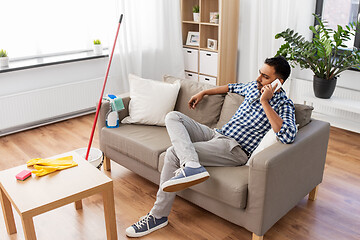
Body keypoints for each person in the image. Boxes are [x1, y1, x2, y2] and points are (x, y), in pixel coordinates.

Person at [125, 56, 297, 237]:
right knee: (173, 117)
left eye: (265, 77)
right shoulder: (253, 87)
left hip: (235, 149)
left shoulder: (284, 104)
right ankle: (191, 165)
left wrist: (265, 101)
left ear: (279, 82)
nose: (258, 79)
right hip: (216, 134)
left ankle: (158, 216)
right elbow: (231, 87)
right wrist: (204, 93)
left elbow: (287, 135)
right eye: (259, 73)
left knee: (173, 153)